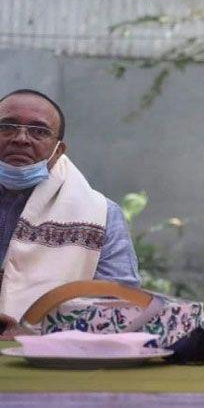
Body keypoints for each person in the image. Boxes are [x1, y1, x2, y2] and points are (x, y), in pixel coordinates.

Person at [0, 89, 140, 328]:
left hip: (51, 346)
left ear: (58, 151)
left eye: (39, 131)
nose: (21, 139)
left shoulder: (100, 213)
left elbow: (120, 306)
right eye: (7, 127)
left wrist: (38, 331)